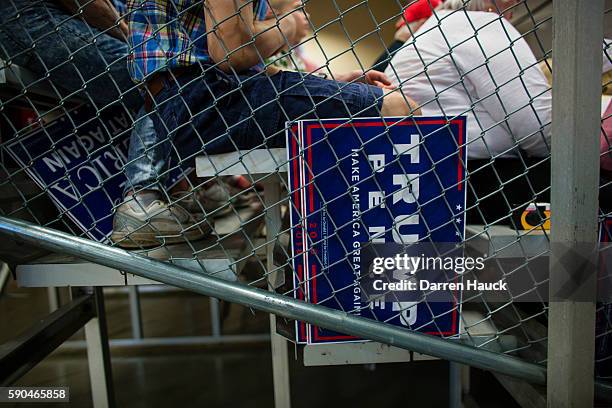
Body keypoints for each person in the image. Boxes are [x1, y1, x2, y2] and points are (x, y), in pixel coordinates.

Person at [111, 0, 420, 247]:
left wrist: (330, 83)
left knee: (387, 103)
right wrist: (289, 22)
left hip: (185, 101)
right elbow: (232, 50)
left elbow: (234, 65)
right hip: (205, 99)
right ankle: (373, 281)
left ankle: (339, 269)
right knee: (400, 107)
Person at [385, 0, 550, 160]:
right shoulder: (479, 25)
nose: (515, 3)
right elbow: (541, 130)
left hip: (423, 165)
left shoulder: (441, 25)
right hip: (469, 171)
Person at [372, 0, 441, 73]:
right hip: (404, 41)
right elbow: (399, 23)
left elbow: (426, 23)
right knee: (379, 69)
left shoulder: (432, 2)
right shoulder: (423, 3)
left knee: (379, 69)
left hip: (406, 41)